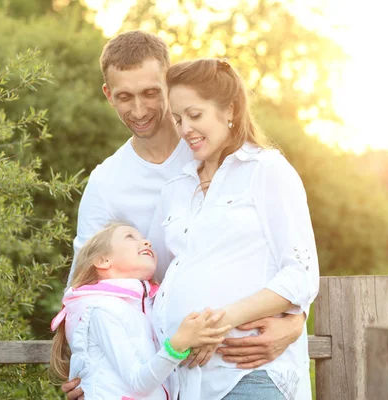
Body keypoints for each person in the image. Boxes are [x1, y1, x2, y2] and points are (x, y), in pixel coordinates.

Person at [62, 31, 308, 399]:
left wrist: (296, 319)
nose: (140, 110)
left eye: (150, 93)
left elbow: (291, 260)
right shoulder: (123, 183)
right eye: (125, 96)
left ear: (169, 83)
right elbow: (87, 286)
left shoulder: (230, 158)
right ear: (108, 95)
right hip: (174, 377)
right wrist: (93, 367)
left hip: (241, 368)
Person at [147, 59, 319, 399]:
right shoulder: (175, 190)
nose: (185, 129)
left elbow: (301, 274)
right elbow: (154, 280)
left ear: (229, 109)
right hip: (185, 385)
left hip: (248, 376)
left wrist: (216, 325)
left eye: (195, 115)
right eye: (178, 119)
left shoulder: (267, 170)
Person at [51, 222, 232, 399]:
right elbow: (138, 382)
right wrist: (178, 345)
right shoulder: (102, 311)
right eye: (130, 237)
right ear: (103, 260)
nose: (147, 242)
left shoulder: (148, 307)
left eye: (144, 239)